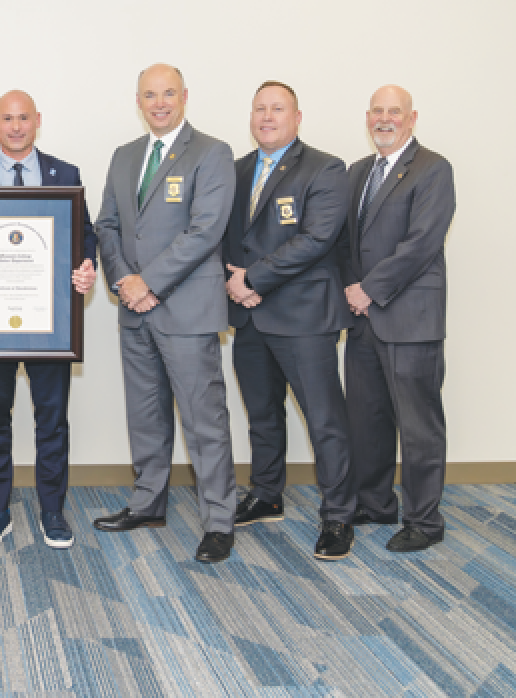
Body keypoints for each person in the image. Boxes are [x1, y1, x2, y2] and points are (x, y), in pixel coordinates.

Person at [0, 90, 97, 550]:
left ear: (37, 120)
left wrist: (87, 267)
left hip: (50, 324)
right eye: (7, 118)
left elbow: (84, 234)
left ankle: (52, 511)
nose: (16, 126)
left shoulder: (64, 174)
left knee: (53, 421)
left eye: (23, 118)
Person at [91, 64, 238, 563]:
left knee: (204, 420)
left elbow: (206, 230)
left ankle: (219, 520)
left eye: (168, 93)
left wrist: (148, 282)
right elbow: (106, 225)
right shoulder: (125, 155)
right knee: (145, 415)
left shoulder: (212, 153)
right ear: (139, 100)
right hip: (135, 312)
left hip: (187, 310)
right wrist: (124, 282)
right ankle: (148, 502)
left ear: (184, 96)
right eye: (150, 95)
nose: (159, 103)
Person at [223, 81, 356, 560]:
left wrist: (254, 279)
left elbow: (316, 239)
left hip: (303, 316)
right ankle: (266, 494)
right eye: (259, 108)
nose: (267, 116)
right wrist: (237, 283)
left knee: (325, 421)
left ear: (297, 116)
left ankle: (339, 515)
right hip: (250, 317)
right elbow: (221, 237)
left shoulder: (325, 168)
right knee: (262, 414)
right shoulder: (236, 170)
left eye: (277, 108)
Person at [337, 85, 456, 552]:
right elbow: (347, 242)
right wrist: (352, 292)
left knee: (418, 425)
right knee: (367, 418)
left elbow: (422, 243)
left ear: (412, 118)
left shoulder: (433, 169)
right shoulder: (358, 171)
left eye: (394, 112)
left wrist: (368, 289)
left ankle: (425, 521)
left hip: (409, 319)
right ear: (368, 117)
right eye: (377, 112)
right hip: (363, 319)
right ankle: (376, 502)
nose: (384, 119)